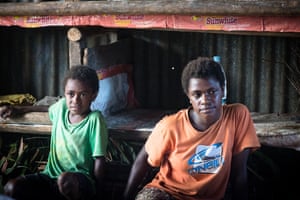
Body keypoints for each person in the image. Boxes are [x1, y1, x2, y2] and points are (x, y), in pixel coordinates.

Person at [123, 57, 261, 200]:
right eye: (197, 94)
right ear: (189, 97)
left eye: (212, 91)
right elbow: (143, 159)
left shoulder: (237, 116)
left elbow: (239, 173)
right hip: (167, 193)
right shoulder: (170, 126)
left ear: (222, 90)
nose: (205, 100)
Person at [0, 65, 108, 200]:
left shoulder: (94, 120)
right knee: (12, 187)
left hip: (80, 181)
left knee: (65, 180)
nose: (75, 100)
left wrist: (99, 193)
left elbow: (99, 160)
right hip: (50, 177)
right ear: (65, 93)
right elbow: (45, 108)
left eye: (83, 94)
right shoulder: (62, 107)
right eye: (71, 94)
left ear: (94, 95)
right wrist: (18, 109)